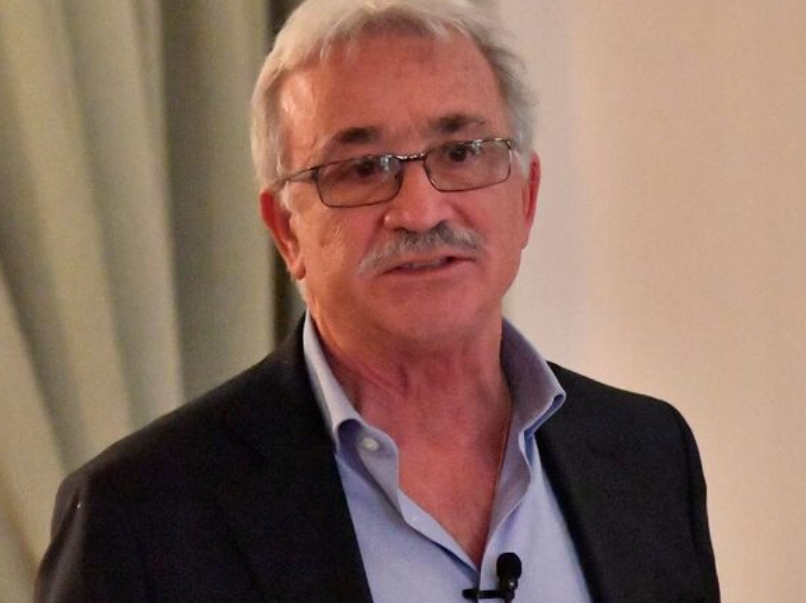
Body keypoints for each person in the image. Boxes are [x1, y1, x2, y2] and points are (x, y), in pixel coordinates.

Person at [35, 0, 720, 601]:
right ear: (286, 231)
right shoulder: (142, 515)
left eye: (461, 152)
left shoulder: (646, 455)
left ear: (527, 198)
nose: (420, 211)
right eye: (362, 169)